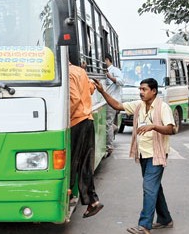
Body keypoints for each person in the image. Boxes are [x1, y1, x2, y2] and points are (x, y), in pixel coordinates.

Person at [93, 78, 175, 234]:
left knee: (149, 188)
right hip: (143, 153)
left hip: (156, 154)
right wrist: (102, 91)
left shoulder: (163, 108)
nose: (141, 92)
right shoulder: (139, 105)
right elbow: (117, 105)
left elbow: (171, 129)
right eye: (140, 89)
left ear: (154, 91)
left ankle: (144, 225)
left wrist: (154, 126)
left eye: (144, 89)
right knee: (154, 187)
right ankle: (165, 219)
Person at [69, 62, 104, 218]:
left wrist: (61, 117)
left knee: (71, 162)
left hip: (76, 121)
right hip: (88, 120)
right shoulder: (80, 71)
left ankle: (67, 196)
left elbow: (74, 100)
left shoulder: (68, 73)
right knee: (85, 164)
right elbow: (91, 88)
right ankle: (92, 201)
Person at [104, 54, 124, 157]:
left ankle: (109, 147)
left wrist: (112, 78)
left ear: (107, 60)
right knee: (107, 123)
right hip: (106, 101)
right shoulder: (105, 71)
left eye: (103, 61)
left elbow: (122, 81)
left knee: (107, 123)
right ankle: (114, 128)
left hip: (112, 101)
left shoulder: (115, 70)